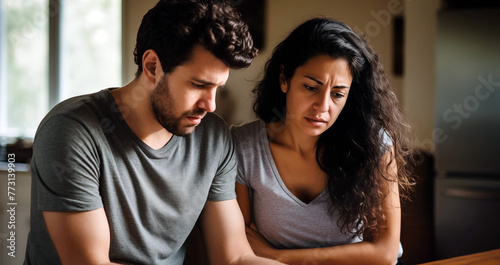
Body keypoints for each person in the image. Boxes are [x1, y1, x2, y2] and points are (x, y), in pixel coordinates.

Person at [23, 1, 285, 264]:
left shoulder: (213, 138)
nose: (211, 105)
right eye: (198, 85)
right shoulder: (72, 131)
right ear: (152, 67)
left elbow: (236, 258)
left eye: (217, 87)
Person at [232, 18, 416, 265]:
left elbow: (385, 253)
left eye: (338, 94)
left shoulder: (373, 144)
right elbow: (243, 247)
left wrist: (280, 256)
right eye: (310, 87)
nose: (323, 107)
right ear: (284, 79)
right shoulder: (245, 148)